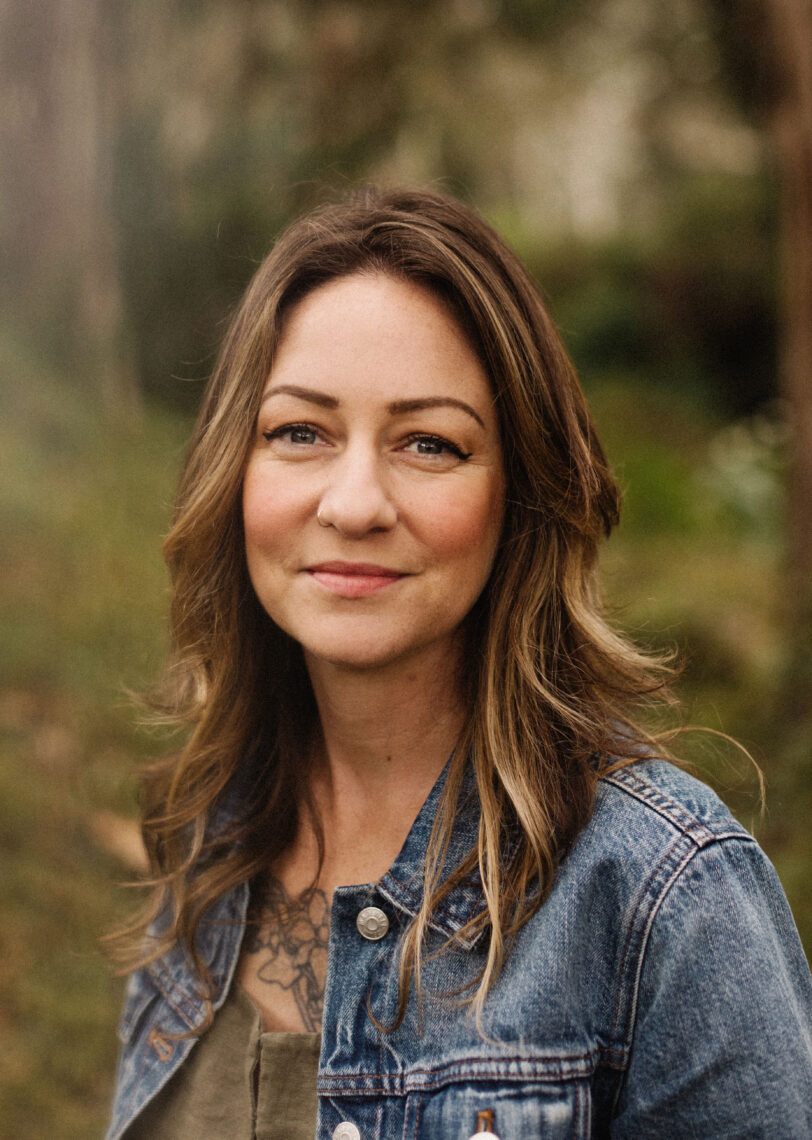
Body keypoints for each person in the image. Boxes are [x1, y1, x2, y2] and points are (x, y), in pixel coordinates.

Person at [107, 186, 811, 1140]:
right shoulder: (204, 829)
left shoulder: (664, 900)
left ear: (519, 492)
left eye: (430, 442)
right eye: (300, 432)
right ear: (234, 468)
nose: (354, 503)